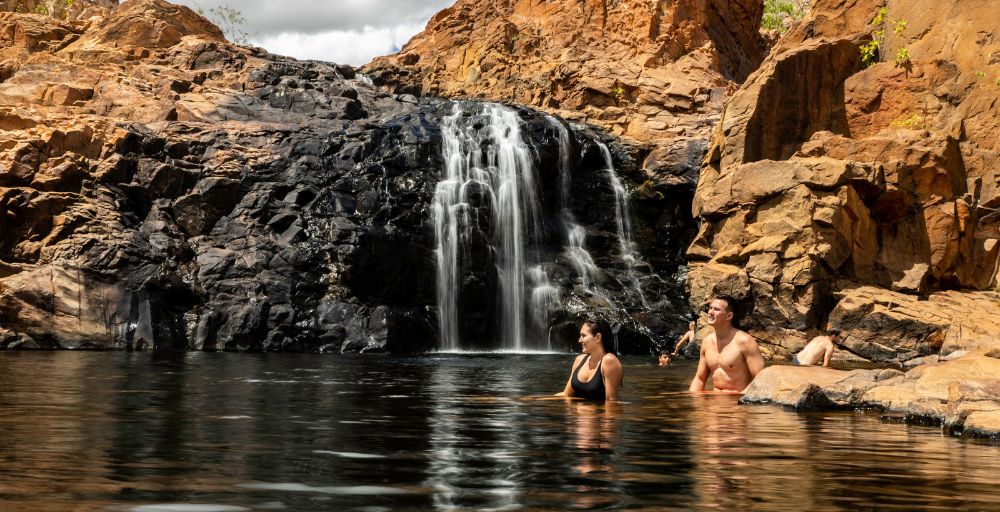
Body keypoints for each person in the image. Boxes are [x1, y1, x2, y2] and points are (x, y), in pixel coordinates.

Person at [688, 295, 765, 393]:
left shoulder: (745, 341)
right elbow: (699, 379)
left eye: (716, 309)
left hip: (737, 399)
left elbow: (760, 379)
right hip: (714, 399)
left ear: (729, 316)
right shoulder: (707, 342)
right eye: (710, 308)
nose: (710, 312)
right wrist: (692, 399)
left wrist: (742, 399)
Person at [555, 318, 624, 401]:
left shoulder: (609, 361)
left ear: (598, 337)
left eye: (583, 336)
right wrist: (541, 399)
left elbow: (611, 402)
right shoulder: (579, 360)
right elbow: (566, 394)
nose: (579, 340)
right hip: (574, 410)